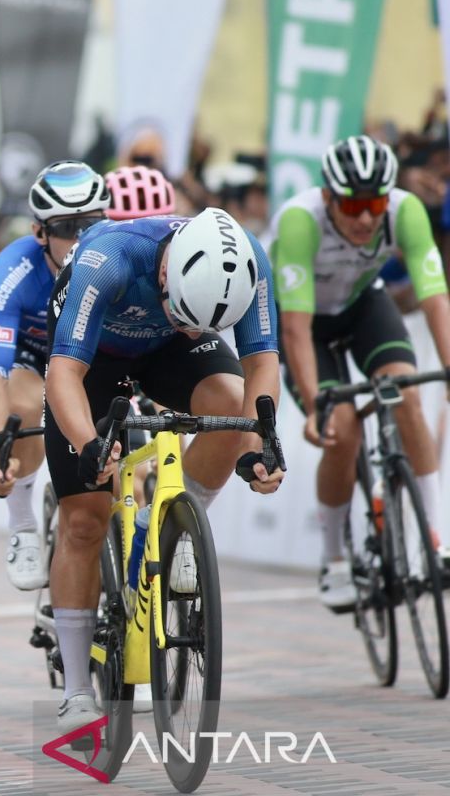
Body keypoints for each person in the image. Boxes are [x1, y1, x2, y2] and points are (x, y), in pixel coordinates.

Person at [45, 207, 284, 731]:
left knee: (226, 403)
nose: (185, 319)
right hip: (92, 357)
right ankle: (77, 689)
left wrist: (261, 443)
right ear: (166, 272)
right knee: (84, 518)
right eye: (179, 309)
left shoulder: (249, 261)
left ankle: (175, 523)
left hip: (171, 349)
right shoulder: (108, 260)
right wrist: (88, 444)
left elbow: (261, 363)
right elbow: (63, 371)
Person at [269, 135, 450, 609]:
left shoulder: (406, 212)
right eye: (353, 205)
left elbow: (435, 297)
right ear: (328, 196)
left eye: (375, 203)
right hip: (305, 323)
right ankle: (333, 559)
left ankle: (434, 540)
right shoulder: (298, 222)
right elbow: (294, 328)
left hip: (362, 304)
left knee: (407, 397)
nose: (367, 217)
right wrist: (315, 408)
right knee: (342, 428)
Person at [0, 161, 110, 590]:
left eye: (90, 224)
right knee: (29, 402)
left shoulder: (116, 256)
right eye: (68, 227)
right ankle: (22, 524)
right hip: (32, 363)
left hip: (93, 361)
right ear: (40, 233)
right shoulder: (14, 270)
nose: (80, 239)